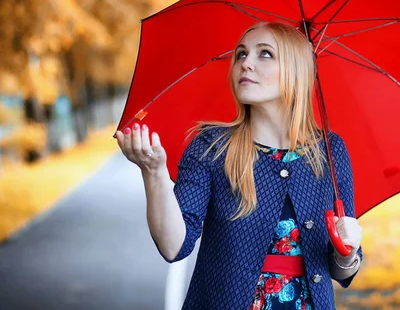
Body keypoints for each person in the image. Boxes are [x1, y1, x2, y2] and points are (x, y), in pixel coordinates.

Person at [115, 21, 363, 309]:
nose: (246, 64)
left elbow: (343, 271)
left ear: (297, 70)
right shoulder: (212, 147)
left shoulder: (330, 152)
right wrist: (154, 173)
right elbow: (173, 246)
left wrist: (348, 254)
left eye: (265, 54)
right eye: (241, 54)